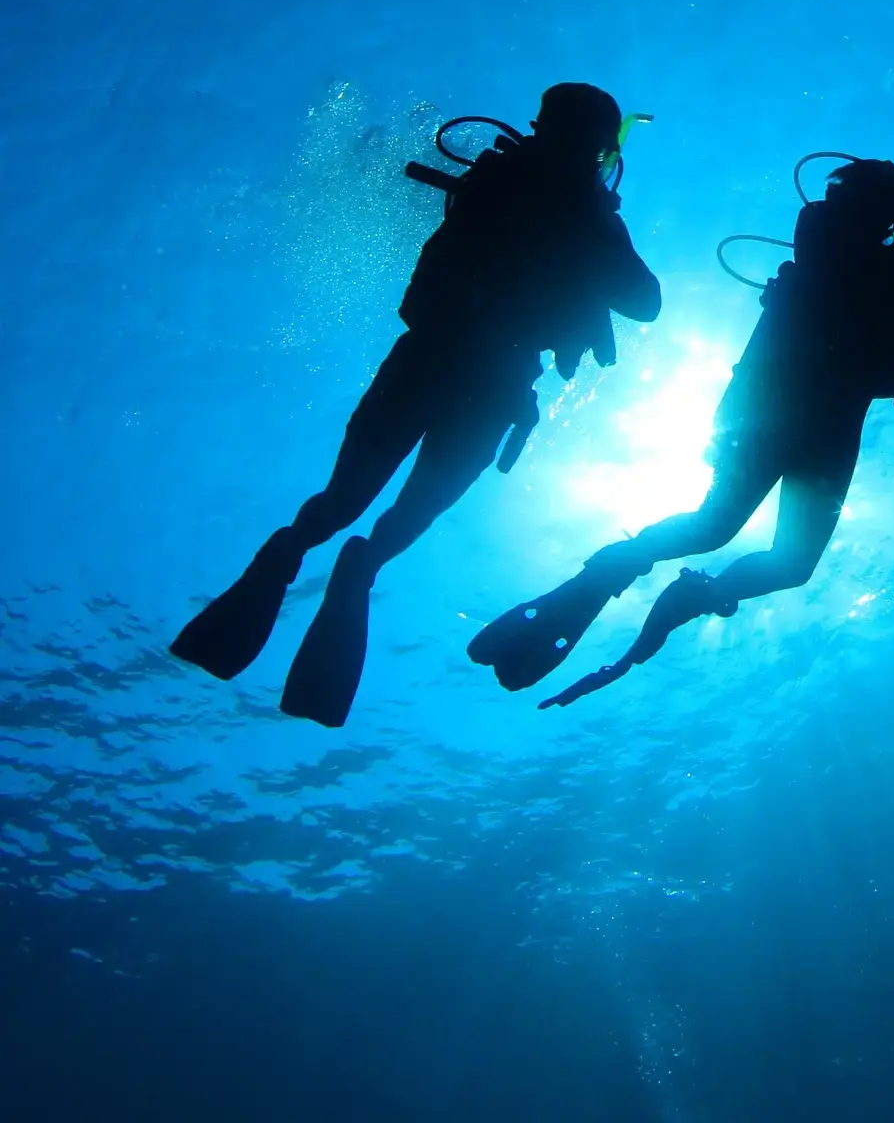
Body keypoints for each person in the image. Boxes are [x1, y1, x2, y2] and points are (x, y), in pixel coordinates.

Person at [170, 83, 662, 727]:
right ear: (599, 146)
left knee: (343, 501)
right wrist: (600, 221)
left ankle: (298, 551)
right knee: (411, 511)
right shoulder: (581, 211)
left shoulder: (505, 179)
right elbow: (644, 302)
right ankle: (360, 563)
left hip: (430, 365)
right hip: (491, 386)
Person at [468, 154, 894, 704]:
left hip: (780, 414)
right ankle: (677, 587)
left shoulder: (833, 243)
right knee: (767, 552)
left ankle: (628, 574)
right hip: (807, 421)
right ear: (878, 206)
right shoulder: (882, 261)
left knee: (729, 533)